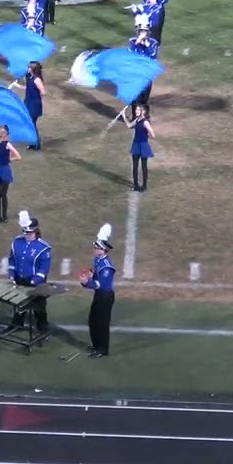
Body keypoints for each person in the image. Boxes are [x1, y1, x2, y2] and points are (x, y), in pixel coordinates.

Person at [7, 210, 51, 336]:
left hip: (36, 282)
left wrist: (34, 281)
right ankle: (17, 324)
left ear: (36, 231)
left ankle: (43, 329)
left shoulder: (43, 248)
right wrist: (12, 273)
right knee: (18, 304)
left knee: (39, 307)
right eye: (24, 232)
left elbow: (44, 268)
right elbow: (12, 259)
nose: (26, 234)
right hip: (20, 279)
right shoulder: (16, 242)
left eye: (29, 232)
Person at [79, 224, 116, 358]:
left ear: (103, 250)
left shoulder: (107, 267)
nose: (94, 249)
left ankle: (103, 349)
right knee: (93, 320)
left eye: (97, 247)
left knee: (102, 323)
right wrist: (91, 274)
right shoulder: (97, 259)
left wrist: (86, 282)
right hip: (99, 295)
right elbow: (96, 275)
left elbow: (101, 285)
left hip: (105, 296)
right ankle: (96, 345)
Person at [10, 61, 46, 150]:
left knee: (31, 123)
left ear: (33, 69)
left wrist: (36, 94)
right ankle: (32, 143)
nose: (28, 68)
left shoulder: (37, 80)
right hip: (28, 102)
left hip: (34, 104)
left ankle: (36, 144)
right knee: (28, 122)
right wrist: (17, 85)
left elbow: (43, 92)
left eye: (29, 67)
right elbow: (28, 88)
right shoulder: (29, 77)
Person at [122, 104, 155, 192]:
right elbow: (129, 126)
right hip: (136, 145)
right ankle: (136, 185)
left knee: (144, 166)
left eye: (138, 110)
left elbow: (153, 135)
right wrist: (124, 115)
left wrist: (146, 136)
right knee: (135, 166)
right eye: (136, 110)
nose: (136, 111)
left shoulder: (145, 122)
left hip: (143, 146)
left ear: (143, 112)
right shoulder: (137, 120)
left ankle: (144, 186)